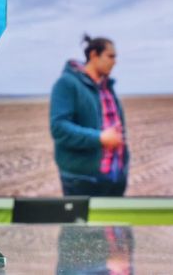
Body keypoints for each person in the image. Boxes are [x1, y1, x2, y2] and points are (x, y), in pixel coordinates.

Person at [49, 35, 129, 197]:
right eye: (110, 56)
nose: (115, 62)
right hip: (83, 179)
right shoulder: (67, 83)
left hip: (115, 174)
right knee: (82, 215)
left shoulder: (107, 86)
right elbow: (59, 128)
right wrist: (100, 138)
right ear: (93, 55)